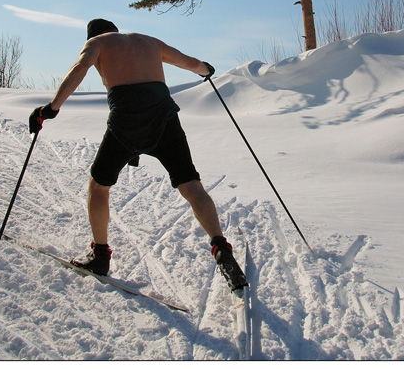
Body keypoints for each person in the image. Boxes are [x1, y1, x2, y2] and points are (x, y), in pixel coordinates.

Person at [29, 18, 247, 291]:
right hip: (165, 118)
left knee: (99, 185)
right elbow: (190, 63)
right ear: (116, 31)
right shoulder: (148, 41)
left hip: (127, 122)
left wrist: (50, 108)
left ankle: (100, 257)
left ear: (92, 35)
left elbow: (80, 68)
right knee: (190, 184)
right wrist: (206, 69)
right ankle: (220, 247)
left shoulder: (96, 43)